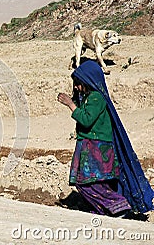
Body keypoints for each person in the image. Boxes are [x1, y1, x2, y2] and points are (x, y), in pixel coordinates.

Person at [57, 60, 154, 218]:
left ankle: (121, 208)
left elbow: (87, 119)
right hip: (89, 145)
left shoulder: (96, 98)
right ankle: (106, 210)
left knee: (87, 182)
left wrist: (70, 104)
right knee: (89, 183)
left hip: (96, 147)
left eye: (78, 84)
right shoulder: (89, 97)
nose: (76, 87)